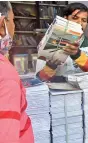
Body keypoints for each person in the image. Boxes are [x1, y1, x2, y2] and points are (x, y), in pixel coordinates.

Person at [36, 3, 88, 82]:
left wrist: (77, 54)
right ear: (65, 19)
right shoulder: (48, 43)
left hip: (84, 91)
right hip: (57, 91)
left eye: (84, 20)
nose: (79, 23)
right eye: (75, 18)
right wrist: (51, 65)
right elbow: (40, 79)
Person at [0, 2, 34, 142]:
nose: (14, 26)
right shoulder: (5, 73)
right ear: (3, 24)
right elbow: (6, 135)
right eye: (13, 20)